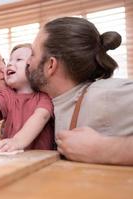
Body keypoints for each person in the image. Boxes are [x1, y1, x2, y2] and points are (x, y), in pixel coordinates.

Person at [26, 16, 133, 165]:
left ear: (51, 65)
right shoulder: (49, 104)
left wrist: (105, 149)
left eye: (33, 54)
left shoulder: (104, 94)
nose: (28, 61)